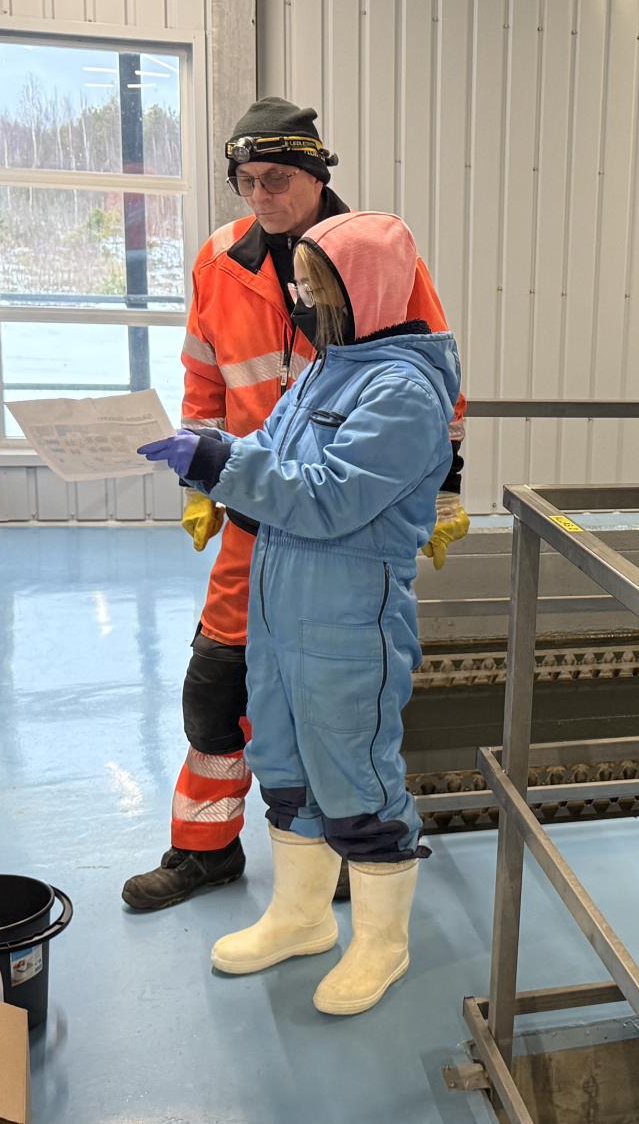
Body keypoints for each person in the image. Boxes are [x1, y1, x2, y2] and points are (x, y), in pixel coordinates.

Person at [121, 99, 469, 912]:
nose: (261, 196)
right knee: (218, 686)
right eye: (246, 181)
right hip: (254, 501)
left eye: (277, 178)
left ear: (317, 174)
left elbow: (438, 385)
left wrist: (446, 496)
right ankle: (204, 849)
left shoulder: (378, 259)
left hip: (343, 525)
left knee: (338, 700)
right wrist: (200, 479)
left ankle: (348, 856)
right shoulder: (220, 261)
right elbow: (204, 377)